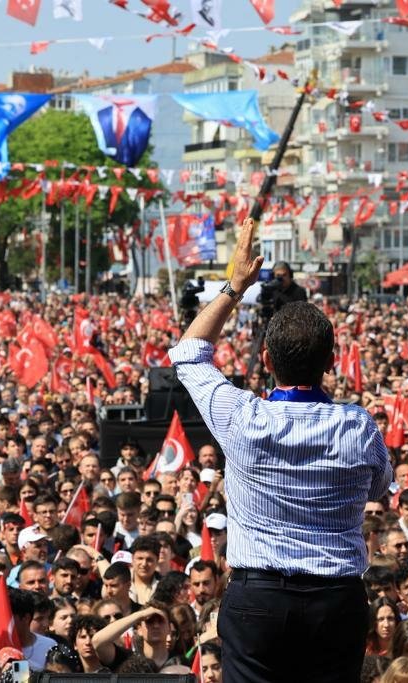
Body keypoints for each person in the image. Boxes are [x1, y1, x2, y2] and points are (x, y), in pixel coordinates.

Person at [167, 217, 393, 682]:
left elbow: (189, 351)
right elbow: (380, 486)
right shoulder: (358, 426)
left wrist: (234, 287)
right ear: (331, 363)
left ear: (266, 361)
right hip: (336, 601)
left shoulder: (242, 418)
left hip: (260, 601)